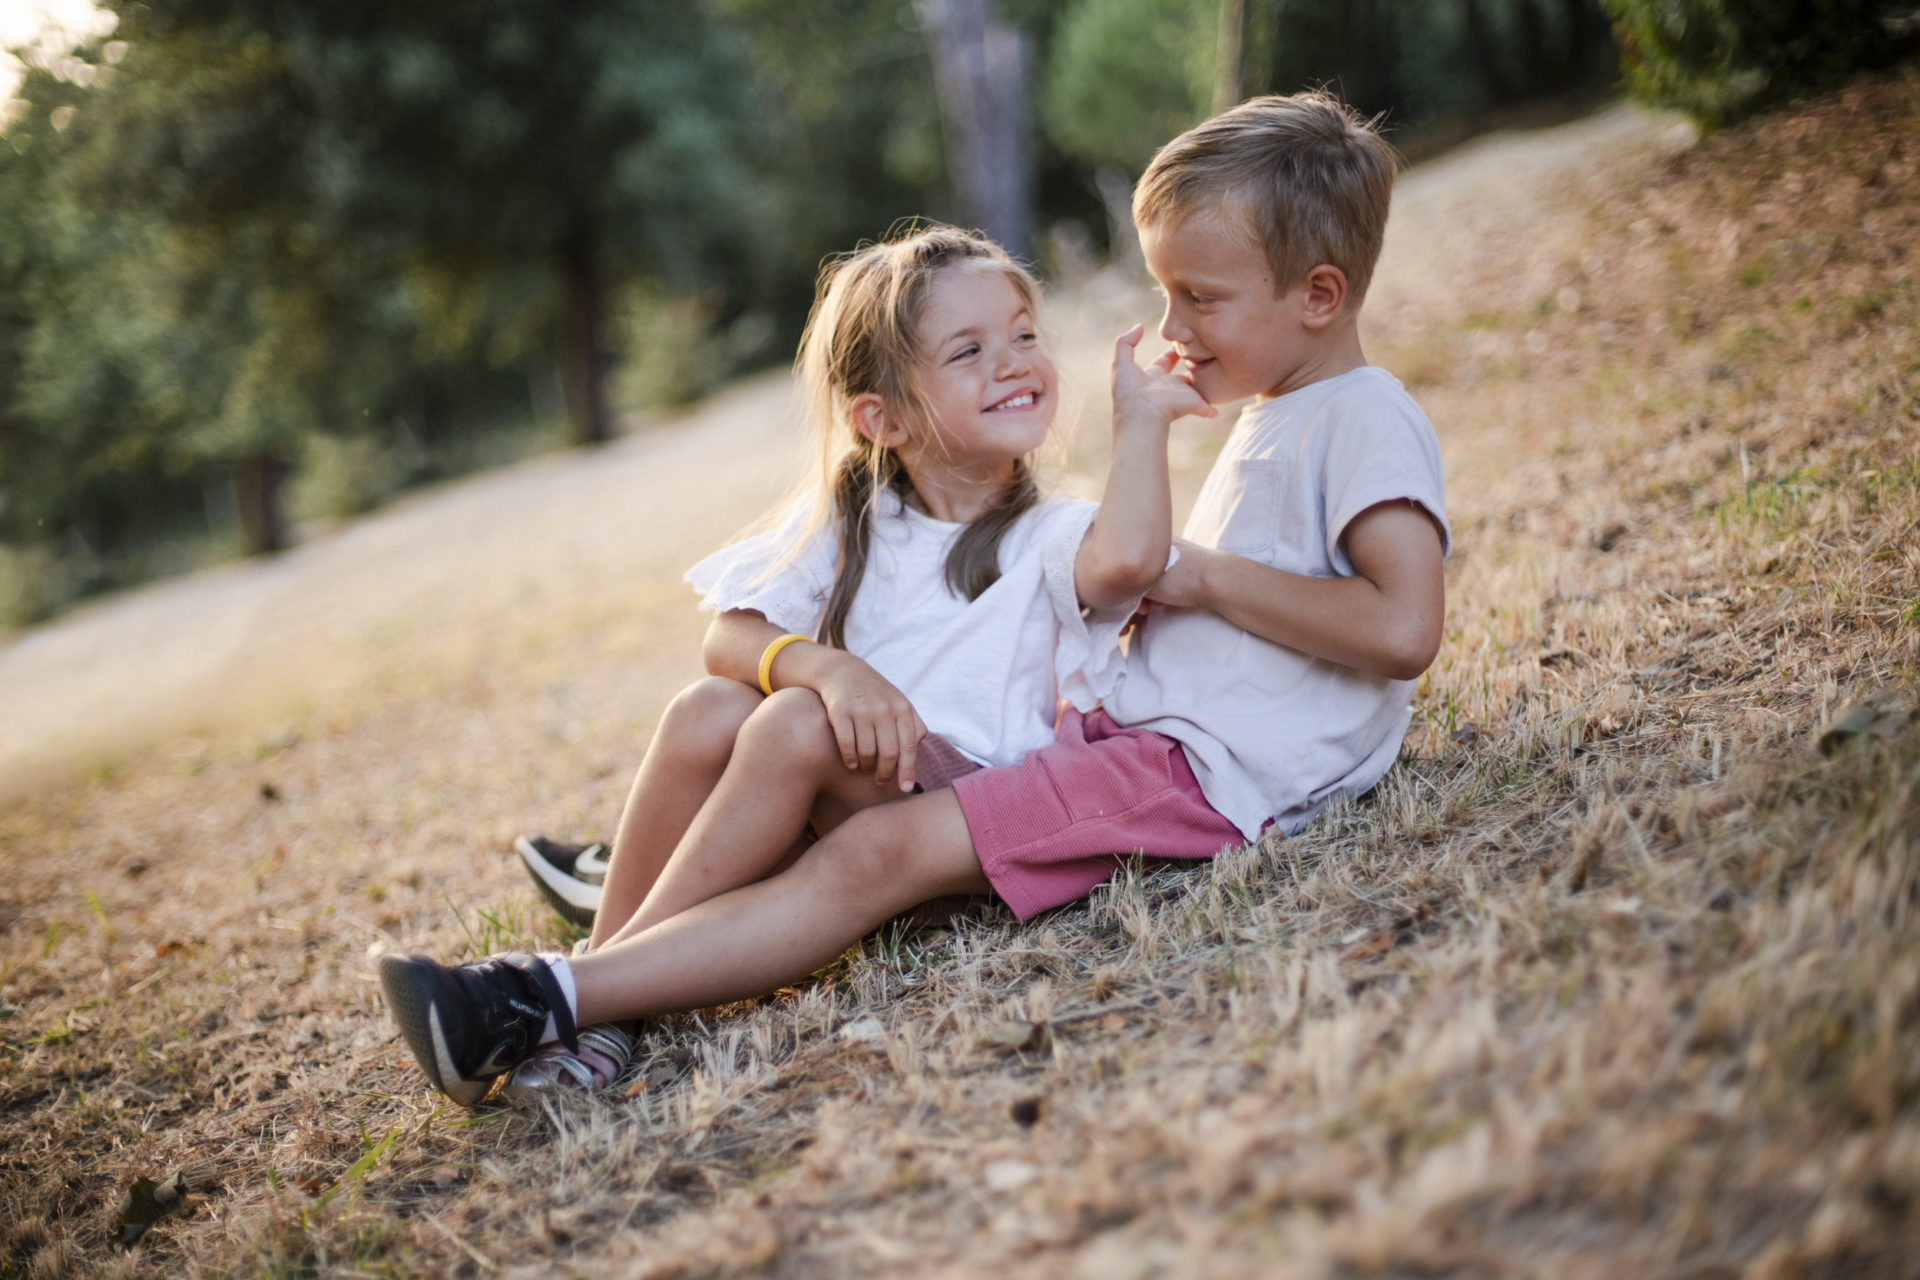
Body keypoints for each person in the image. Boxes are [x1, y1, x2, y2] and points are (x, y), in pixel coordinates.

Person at [380, 223, 1210, 1105]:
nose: (1012, 362)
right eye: (968, 349)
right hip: (851, 796)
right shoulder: (857, 520)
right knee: (710, 708)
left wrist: (1143, 426)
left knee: (791, 718)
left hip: (952, 829)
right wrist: (830, 668)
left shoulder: (1050, 536)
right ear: (880, 418)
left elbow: (1127, 561)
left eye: (1024, 335)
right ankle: (599, 1000)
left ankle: (581, 998)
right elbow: (727, 639)